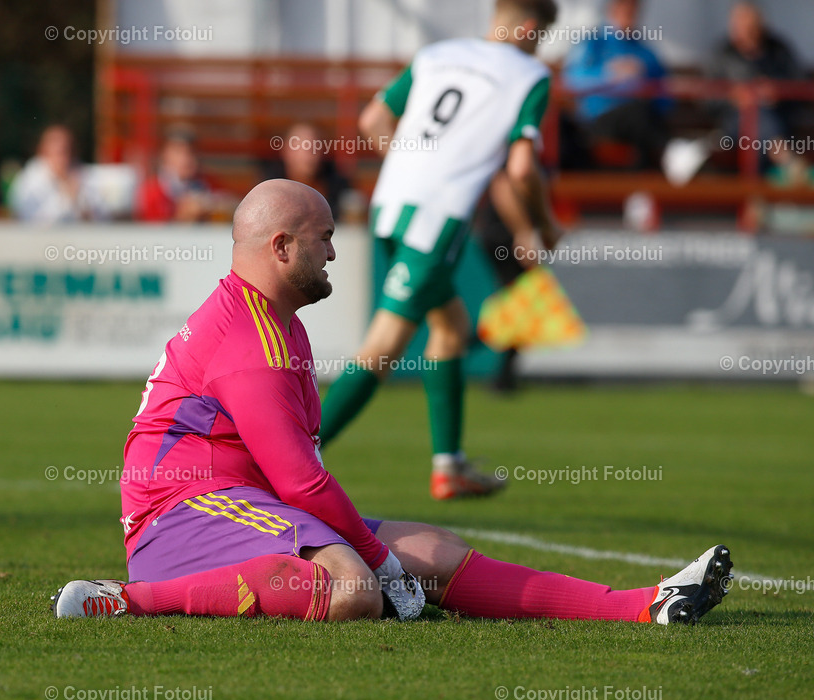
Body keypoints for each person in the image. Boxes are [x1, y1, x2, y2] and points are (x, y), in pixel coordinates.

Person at [51, 178, 733, 627]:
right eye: (323, 238)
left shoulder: (276, 319)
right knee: (355, 588)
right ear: (280, 245)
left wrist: (383, 555)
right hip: (178, 518)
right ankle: (122, 600)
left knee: (436, 552)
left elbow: (293, 476)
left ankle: (645, 606)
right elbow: (301, 479)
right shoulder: (249, 337)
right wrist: (374, 558)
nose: (333, 254)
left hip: (242, 505)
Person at [318, 0, 562, 500]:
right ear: (531, 28)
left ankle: (449, 466)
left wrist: (413, 167)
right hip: (436, 220)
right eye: (541, 36)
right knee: (384, 345)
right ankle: (290, 460)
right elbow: (520, 169)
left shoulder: (436, 54)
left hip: (389, 206)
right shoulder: (529, 74)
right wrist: (544, 223)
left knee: (449, 326)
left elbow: (372, 120)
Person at [561, 0, 707, 184]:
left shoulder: (644, 51)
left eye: (632, 9)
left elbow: (665, 95)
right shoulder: (593, 43)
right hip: (599, 119)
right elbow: (572, 81)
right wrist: (608, 74)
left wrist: (644, 82)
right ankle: (672, 151)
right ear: (612, 9)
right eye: (622, 7)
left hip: (641, 121)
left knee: (640, 122)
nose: (628, 14)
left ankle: (642, 193)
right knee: (638, 115)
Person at [708, 2, 809, 181]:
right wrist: (734, 97)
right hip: (734, 126)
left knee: (758, 118)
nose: (743, 27)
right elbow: (707, 100)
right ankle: (786, 160)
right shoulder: (723, 54)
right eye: (738, 22)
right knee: (754, 117)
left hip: (777, 120)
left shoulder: (779, 51)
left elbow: (799, 87)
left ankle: (755, 197)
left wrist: (776, 91)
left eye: (748, 22)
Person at [262, 122, 351, 220]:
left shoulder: (337, 185)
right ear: (286, 151)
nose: (311, 155)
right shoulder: (269, 187)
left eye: (315, 147)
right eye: (304, 147)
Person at [8, 125, 87, 222]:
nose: (65, 158)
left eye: (69, 151)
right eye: (60, 152)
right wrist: (67, 198)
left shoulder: (79, 174)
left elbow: (90, 219)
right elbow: (33, 221)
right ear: (44, 151)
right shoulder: (29, 180)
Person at [137, 133, 222, 222]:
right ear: (164, 155)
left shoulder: (207, 183)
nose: (186, 158)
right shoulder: (151, 191)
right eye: (178, 152)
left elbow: (227, 202)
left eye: (191, 152)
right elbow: (150, 231)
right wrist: (181, 216)